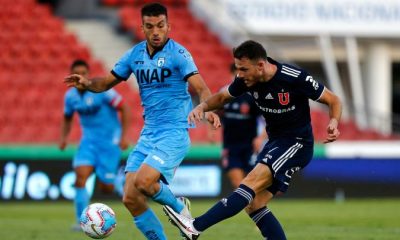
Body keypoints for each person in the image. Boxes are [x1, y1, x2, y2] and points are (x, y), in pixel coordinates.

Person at [64, 3, 220, 240]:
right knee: (130, 197)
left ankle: (181, 209)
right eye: (150, 26)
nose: (155, 31)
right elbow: (105, 83)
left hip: (174, 132)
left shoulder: (179, 54)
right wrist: (87, 83)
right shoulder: (134, 55)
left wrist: (206, 109)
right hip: (149, 135)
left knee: (145, 182)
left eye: (160, 26)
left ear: (169, 26)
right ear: (142, 27)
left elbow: (202, 88)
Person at [163, 40, 342, 240]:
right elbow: (222, 98)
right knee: (254, 204)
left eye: (243, 69)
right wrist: (201, 107)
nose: (239, 74)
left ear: (260, 65)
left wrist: (333, 122)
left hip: (296, 143)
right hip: (276, 143)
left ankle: (195, 226)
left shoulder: (294, 77)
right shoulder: (247, 79)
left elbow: (333, 99)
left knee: (248, 183)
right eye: (238, 68)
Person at [59, 59, 131, 230]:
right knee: (80, 177)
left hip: (109, 144)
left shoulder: (102, 91)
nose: (81, 76)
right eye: (78, 73)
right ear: (72, 74)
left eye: (84, 73)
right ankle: (80, 221)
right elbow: (67, 118)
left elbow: (124, 108)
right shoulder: (70, 97)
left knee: (106, 187)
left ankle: (118, 180)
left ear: (87, 74)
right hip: (88, 143)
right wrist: (63, 137)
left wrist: (123, 136)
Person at [220, 63, 267, 188]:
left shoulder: (252, 96)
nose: (238, 77)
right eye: (236, 74)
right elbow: (212, 111)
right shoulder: (224, 94)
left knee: (251, 184)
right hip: (230, 146)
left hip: (250, 145)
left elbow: (269, 120)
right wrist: (211, 131)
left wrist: (261, 138)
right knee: (237, 183)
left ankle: (255, 206)